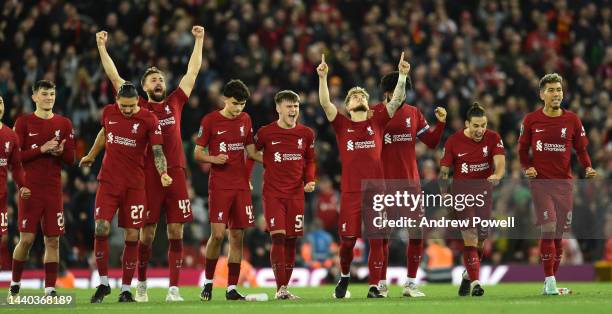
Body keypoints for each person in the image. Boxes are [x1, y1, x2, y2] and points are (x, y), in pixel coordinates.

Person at [93, 25, 204, 302]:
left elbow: (192, 72)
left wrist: (199, 41)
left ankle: (173, 289)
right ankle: (140, 284)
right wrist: (102, 48)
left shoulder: (176, 102)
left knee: (177, 230)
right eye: (153, 80)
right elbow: (114, 76)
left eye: (160, 79)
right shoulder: (138, 106)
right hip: (148, 176)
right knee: (147, 232)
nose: (158, 82)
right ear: (144, 87)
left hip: (176, 173)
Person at [317, 53, 409, 298]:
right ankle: (345, 275)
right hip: (350, 192)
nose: (359, 97)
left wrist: (402, 75)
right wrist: (323, 77)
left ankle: (375, 285)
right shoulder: (342, 125)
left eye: (362, 96)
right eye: (354, 96)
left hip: (377, 191)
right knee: (347, 242)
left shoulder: (378, 120)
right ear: (347, 106)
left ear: (369, 105)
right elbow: (326, 104)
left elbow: (397, 99)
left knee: (378, 240)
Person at [80, 82, 171, 303]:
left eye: (131, 106)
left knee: (132, 235)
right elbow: (104, 133)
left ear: (137, 101)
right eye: (124, 106)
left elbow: (158, 150)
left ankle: (126, 289)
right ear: (116, 101)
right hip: (109, 182)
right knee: (101, 228)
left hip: (135, 186)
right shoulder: (109, 112)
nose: (127, 110)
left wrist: (163, 173)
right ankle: (103, 283)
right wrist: (91, 155)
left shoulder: (149, 119)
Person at [518, 73, 597, 295]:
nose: (556, 94)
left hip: (564, 185)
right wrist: (527, 168)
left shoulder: (572, 120)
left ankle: (550, 281)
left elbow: (581, 149)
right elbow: (523, 151)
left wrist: (588, 167)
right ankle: (550, 279)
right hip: (541, 183)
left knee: (559, 234)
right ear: (542, 94)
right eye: (551, 90)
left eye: (559, 90)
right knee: (549, 228)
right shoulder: (531, 120)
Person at [372, 72, 446, 297]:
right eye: (399, 89)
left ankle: (410, 284)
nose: (403, 93)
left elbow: (431, 143)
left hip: (410, 185)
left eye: (405, 89)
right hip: (383, 184)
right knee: (382, 236)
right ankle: (381, 285)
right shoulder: (374, 113)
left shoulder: (413, 113)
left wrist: (441, 124)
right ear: (387, 92)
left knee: (416, 234)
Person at [194, 79, 262, 301]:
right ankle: (209, 281)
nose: (238, 108)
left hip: (241, 186)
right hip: (220, 185)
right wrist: (214, 158)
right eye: (235, 103)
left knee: (237, 236)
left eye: (242, 104)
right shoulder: (211, 120)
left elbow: (251, 152)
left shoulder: (246, 119)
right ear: (225, 99)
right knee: (217, 235)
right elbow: (197, 153)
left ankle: (231, 288)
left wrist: (277, 161)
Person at [9, 80, 74, 298]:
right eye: (44, 94)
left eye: (52, 93)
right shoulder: (23, 122)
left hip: (53, 191)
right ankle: (15, 283)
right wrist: (41, 148)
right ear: (34, 97)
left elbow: (71, 158)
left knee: (53, 240)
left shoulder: (64, 123)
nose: (49, 97)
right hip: (30, 189)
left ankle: (50, 289)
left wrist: (60, 153)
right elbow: (15, 157)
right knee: (26, 240)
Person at [252, 90, 316, 299]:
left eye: (296, 106)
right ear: (278, 108)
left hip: (296, 194)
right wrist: (245, 178)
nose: (293, 110)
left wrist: (310, 179)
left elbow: (310, 160)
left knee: (291, 241)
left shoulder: (306, 134)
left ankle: (285, 289)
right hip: (273, 194)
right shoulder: (265, 133)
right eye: (289, 106)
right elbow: (250, 153)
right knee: (277, 237)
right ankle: (280, 288)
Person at [439, 102, 506, 297]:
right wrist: (446, 198)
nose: (480, 130)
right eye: (476, 126)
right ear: (467, 124)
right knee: (470, 238)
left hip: (484, 194)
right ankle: (477, 282)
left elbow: (500, 163)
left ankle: (468, 276)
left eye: (483, 125)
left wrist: (497, 175)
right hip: (462, 195)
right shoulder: (453, 141)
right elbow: (443, 173)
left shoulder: (493, 138)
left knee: (481, 240)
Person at [0, 96, 29, 272]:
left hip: (1, 197)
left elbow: (16, 166)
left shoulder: (10, 135)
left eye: (1, 103)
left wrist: (23, 185)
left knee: (2, 239)